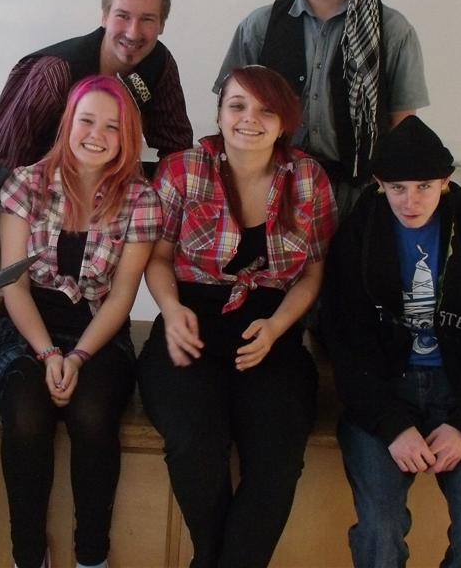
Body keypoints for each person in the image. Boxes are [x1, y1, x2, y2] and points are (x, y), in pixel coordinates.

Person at [137, 65, 337, 568]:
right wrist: (171, 309)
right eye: (237, 106)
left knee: (278, 458)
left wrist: (277, 327)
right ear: (220, 112)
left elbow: (313, 274)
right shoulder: (182, 169)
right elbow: (157, 259)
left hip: (270, 330)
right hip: (192, 323)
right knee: (194, 445)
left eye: (266, 110)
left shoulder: (308, 177)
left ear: (285, 121)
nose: (250, 119)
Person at [319, 116, 461, 567]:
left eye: (425, 186)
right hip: (384, 391)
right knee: (380, 528)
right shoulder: (357, 236)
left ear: (446, 182)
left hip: (457, 390)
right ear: (379, 185)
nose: (411, 201)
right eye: (398, 188)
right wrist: (390, 425)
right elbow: (346, 341)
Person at [0, 75, 162, 568]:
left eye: (112, 126)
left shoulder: (142, 199)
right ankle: (28, 556)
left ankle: (91, 557)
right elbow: (13, 284)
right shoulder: (26, 183)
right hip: (26, 325)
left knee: (92, 414)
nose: (96, 134)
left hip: (97, 329)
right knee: (25, 413)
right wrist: (47, 354)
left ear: (127, 136)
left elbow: (122, 296)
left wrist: (78, 357)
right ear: (68, 123)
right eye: (87, 120)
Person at [214, 0, 429, 215]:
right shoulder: (260, 25)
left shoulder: (391, 30)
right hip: (272, 193)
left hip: (355, 198)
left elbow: (404, 128)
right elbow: (228, 111)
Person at [0, 0, 192, 193]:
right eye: (123, 16)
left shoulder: (159, 64)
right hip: (39, 197)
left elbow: (178, 153)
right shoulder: (52, 72)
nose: (133, 32)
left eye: (147, 19)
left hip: (113, 194)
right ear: (104, 16)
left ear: (162, 25)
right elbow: (1, 166)